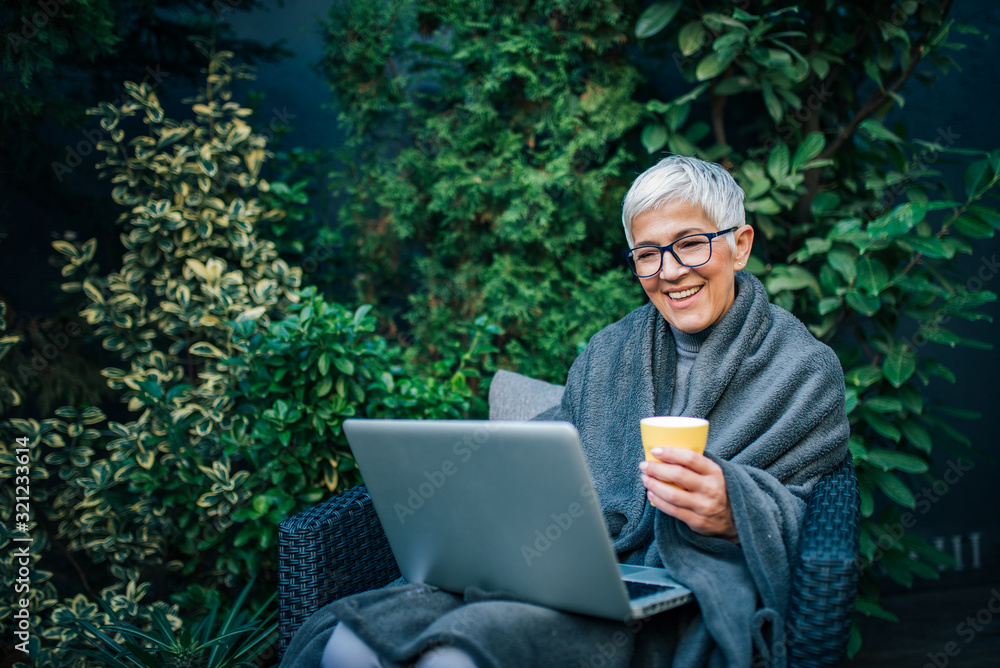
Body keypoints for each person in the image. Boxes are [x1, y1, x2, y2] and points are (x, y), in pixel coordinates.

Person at [281, 155, 850, 667]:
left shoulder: (801, 369)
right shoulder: (609, 352)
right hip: (572, 570)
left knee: (456, 655)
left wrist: (734, 509)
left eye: (692, 243)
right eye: (647, 255)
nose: (670, 271)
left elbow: (819, 520)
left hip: (687, 590)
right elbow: (558, 453)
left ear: (740, 244)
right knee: (351, 643)